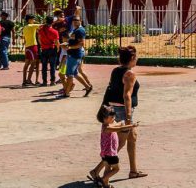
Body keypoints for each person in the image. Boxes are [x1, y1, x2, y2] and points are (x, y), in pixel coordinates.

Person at [101, 46, 146, 179]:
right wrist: (128, 117)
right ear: (132, 58)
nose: (137, 59)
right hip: (123, 111)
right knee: (118, 144)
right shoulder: (130, 74)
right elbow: (127, 95)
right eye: (136, 56)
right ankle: (99, 170)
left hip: (114, 108)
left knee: (133, 138)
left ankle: (133, 170)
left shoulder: (116, 70)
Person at [90, 104, 136, 187]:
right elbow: (120, 128)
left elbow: (116, 124)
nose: (113, 119)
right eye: (111, 118)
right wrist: (132, 125)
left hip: (105, 153)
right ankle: (103, 179)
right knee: (116, 169)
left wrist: (121, 122)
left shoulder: (107, 124)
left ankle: (106, 184)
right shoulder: (107, 128)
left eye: (114, 117)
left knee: (108, 169)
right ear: (104, 119)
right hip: (110, 154)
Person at [62, 30, 93, 97]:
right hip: (75, 56)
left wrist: (68, 47)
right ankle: (87, 87)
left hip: (74, 57)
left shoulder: (77, 33)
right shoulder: (73, 34)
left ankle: (67, 92)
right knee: (75, 74)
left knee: (70, 74)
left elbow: (80, 44)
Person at [37, 15, 60, 86]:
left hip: (44, 49)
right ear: (52, 22)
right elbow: (57, 42)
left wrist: (42, 45)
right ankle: (52, 81)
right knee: (52, 66)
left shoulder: (41, 29)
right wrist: (58, 48)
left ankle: (44, 82)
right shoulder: (55, 31)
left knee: (44, 66)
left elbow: (39, 39)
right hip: (52, 49)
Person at [21, 14, 41, 86]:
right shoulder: (31, 26)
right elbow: (44, 25)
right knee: (33, 63)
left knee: (26, 63)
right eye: (33, 19)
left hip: (27, 46)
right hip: (33, 46)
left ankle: (24, 80)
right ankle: (28, 79)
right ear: (29, 20)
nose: (34, 20)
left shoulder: (25, 27)